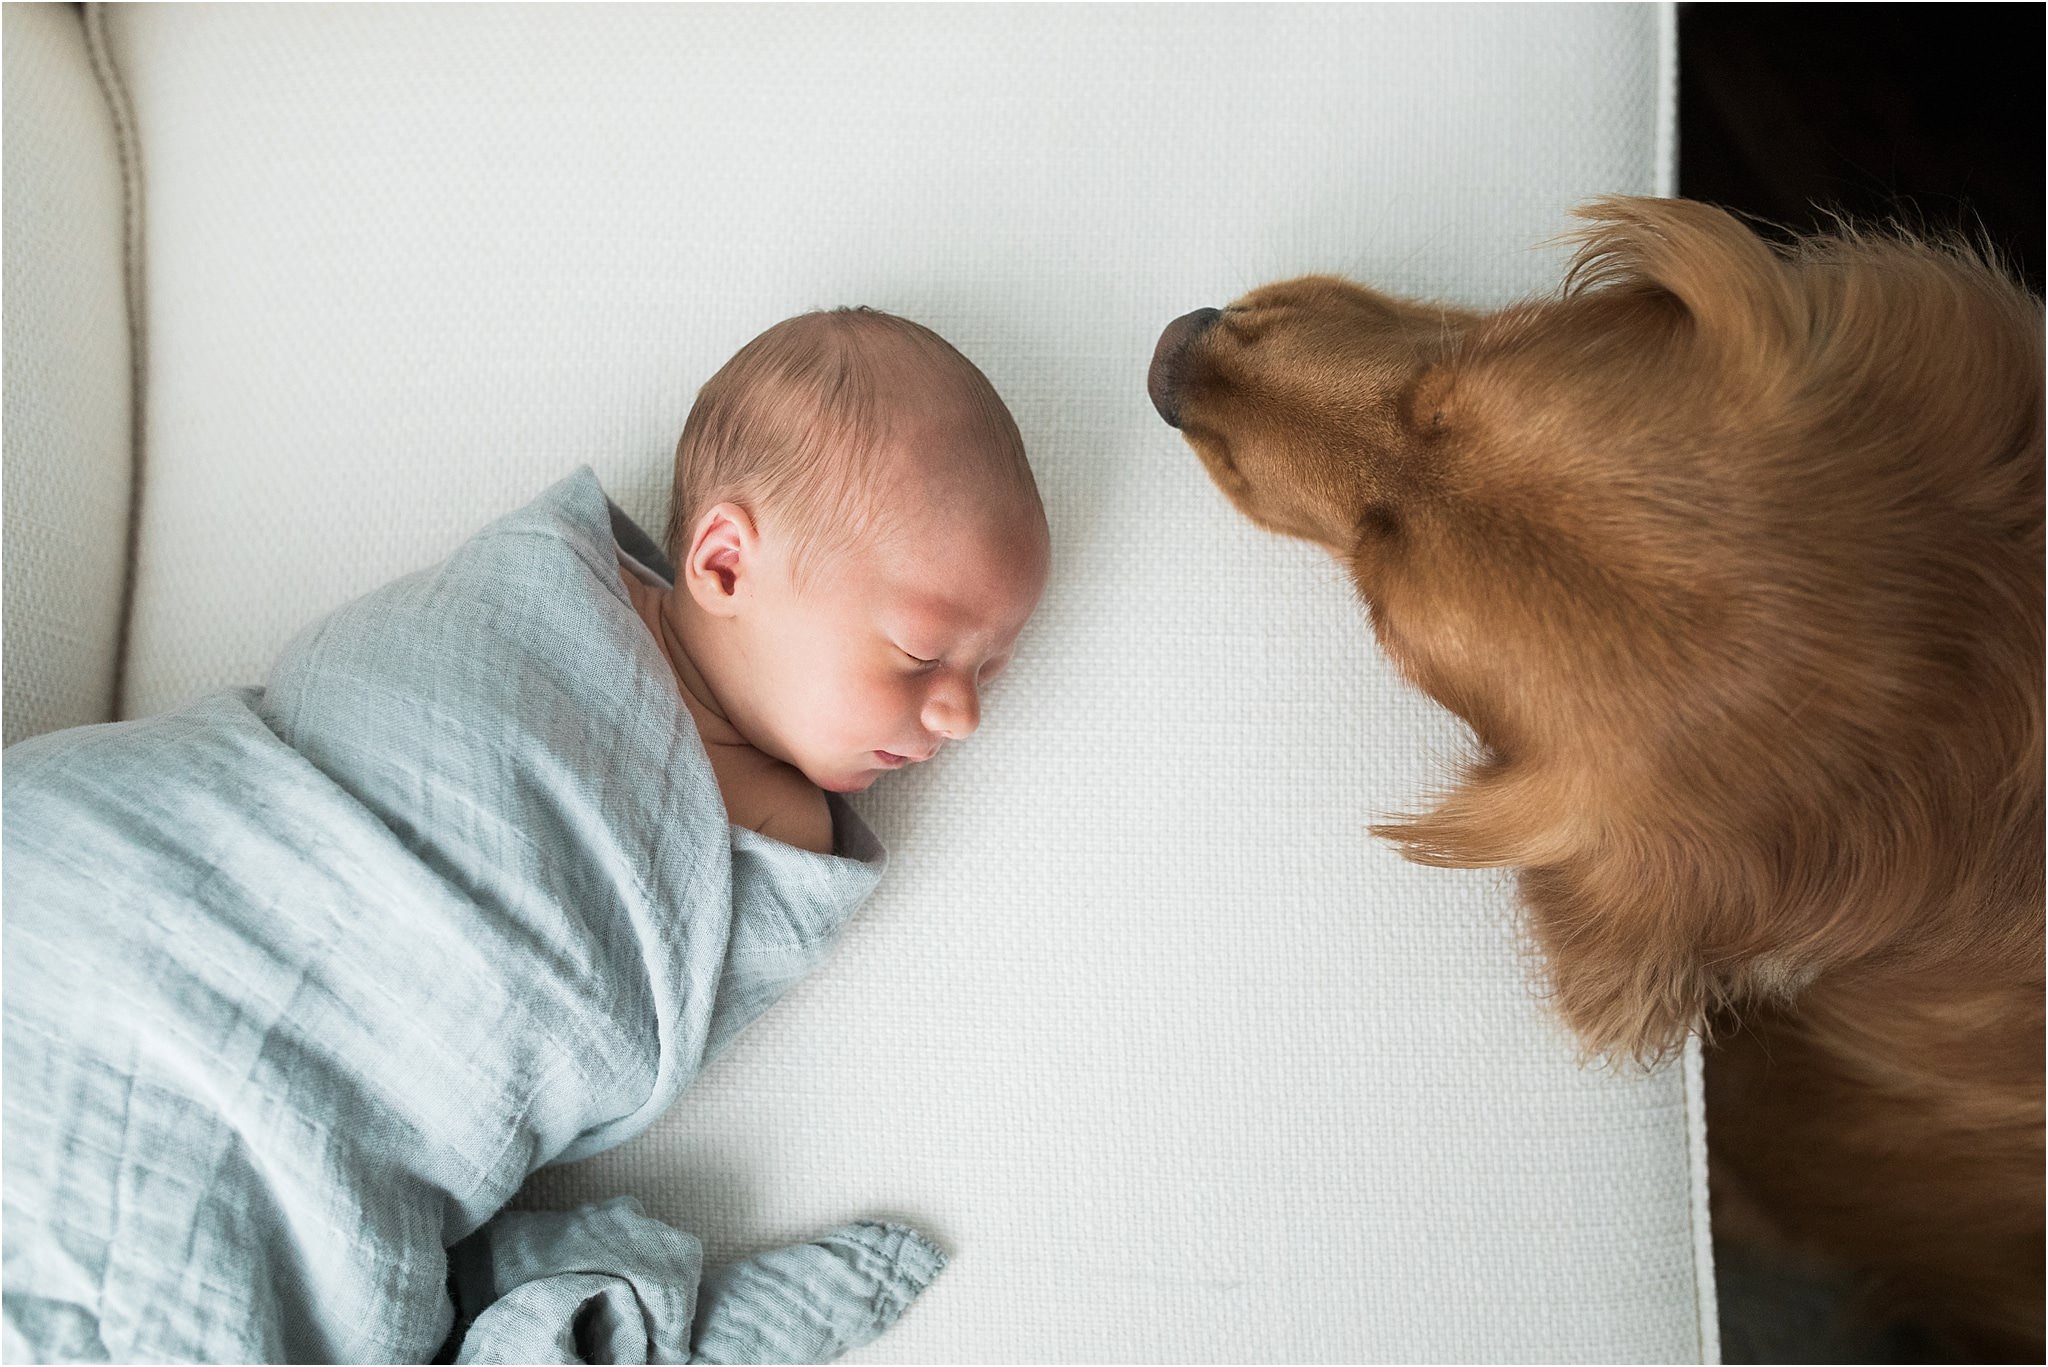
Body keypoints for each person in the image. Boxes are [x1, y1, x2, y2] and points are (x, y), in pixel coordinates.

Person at [1, 307, 1048, 1363]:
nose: (961, 714)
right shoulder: (531, 604)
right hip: (103, 891)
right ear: (724, 563)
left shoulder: (772, 852)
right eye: (922, 655)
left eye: (988, 670)